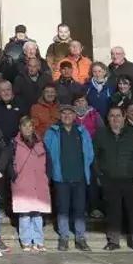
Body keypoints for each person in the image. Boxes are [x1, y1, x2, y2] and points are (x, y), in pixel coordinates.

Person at [92, 106, 133, 252]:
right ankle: (113, 241)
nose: (115, 119)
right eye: (112, 116)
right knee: (113, 212)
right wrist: (99, 175)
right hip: (110, 180)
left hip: (132, 180)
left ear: (124, 118)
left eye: (118, 116)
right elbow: (94, 157)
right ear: (108, 118)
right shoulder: (101, 135)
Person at [44, 104, 94, 251]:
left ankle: (80, 238)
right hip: (61, 178)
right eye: (64, 113)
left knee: (79, 209)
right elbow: (46, 153)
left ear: (74, 116)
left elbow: (90, 153)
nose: (67, 116)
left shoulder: (82, 131)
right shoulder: (52, 132)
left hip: (79, 177)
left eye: (70, 113)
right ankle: (64, 237)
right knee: (63, 209)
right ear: (60, 115)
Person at [11, 116, 51, 252]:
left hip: (39, 182)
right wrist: (13, 176)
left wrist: (47, 177)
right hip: (22, 183)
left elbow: (49, 161)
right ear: (20, 128)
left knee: (38, 214)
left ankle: (39, 241)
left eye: (30, 126)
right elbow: (9, 162)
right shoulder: (14, 144)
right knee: (24, 215)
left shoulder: (41, 143)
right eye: (24, 126)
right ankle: (26, 241)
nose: (28, 129)